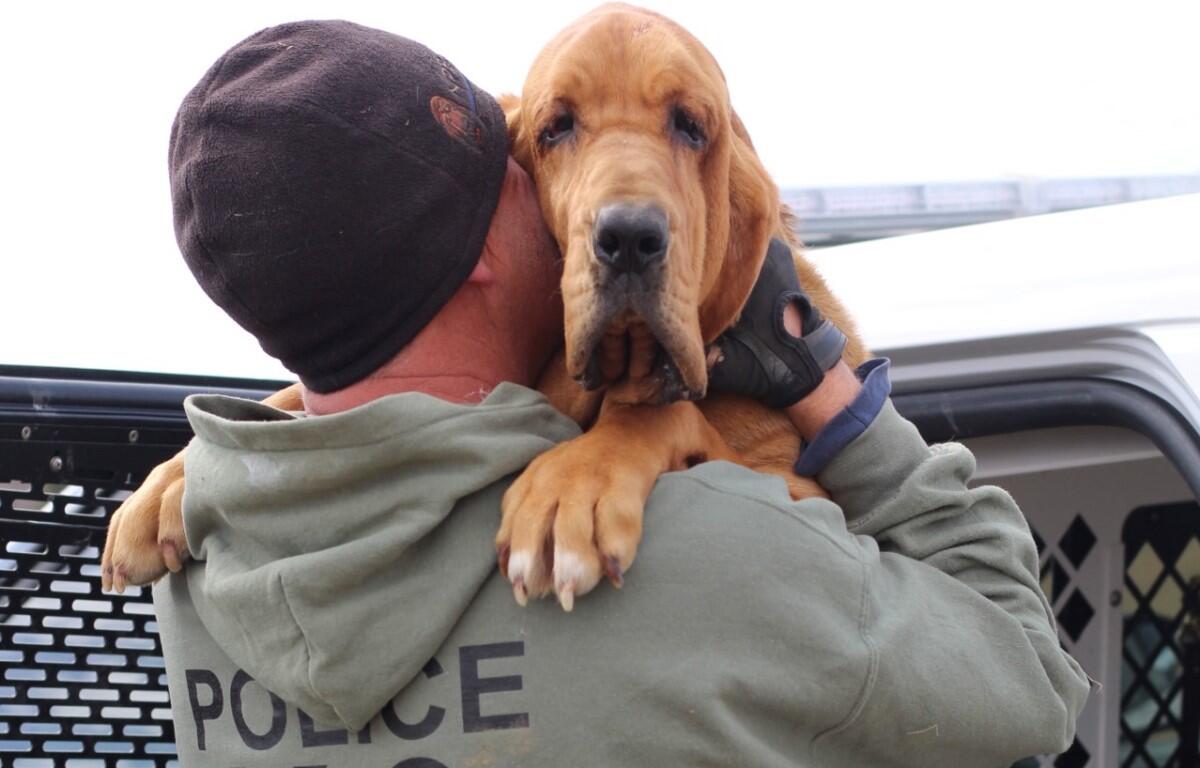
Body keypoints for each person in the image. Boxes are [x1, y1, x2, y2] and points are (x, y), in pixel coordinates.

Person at [150, 19, 1090, 768]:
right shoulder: (718, 558)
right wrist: (825, 389)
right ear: (483, 245)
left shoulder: (197, 572)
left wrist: (246, 446)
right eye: (545, 148)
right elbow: (1034, 684)